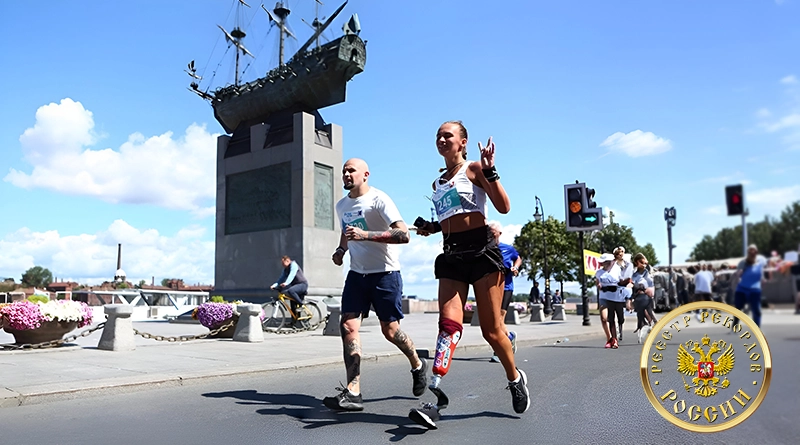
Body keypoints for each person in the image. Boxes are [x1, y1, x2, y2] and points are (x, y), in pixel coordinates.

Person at [414, 120, 529, 420]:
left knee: (492, 331)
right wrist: (432, 227)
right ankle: (436, 396)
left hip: (481, 254)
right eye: (438, 135)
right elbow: (452, 217)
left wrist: (491, 169)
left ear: (463, 142)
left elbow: (503, 207)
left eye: (447, 135)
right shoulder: (437, 183)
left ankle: (514, 379)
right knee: (448, 327)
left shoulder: (475, 169)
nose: (441, 139)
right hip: (452, 255)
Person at [324, 158, 427, 411]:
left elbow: (404, 234)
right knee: (348, 326)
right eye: (344, 171)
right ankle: (353, 391)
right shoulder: (341, 205)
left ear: (365, 174)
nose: (346, 174)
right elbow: (346, 231)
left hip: (385, 274)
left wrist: (366, 235)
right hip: (357, 274)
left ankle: (417, 362)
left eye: (352, 170)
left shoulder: (379, 200)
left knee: (390, 330)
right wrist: (340, 250)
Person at [488, 221, 521, 363]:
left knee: (499, 319)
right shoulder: (485, 250)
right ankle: (509, 338)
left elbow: (518, 258)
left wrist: (515, 268)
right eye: (488, 232)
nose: (490, 235)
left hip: (506, 287)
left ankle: (498, 350)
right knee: (494, 320)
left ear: (499, 234)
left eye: (493, 233)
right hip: (491, 288)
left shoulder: (508, 249)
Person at [596, 253, 627, 348]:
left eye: (607, 262)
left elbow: (625, 282)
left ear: (612, 262)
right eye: (603, 262)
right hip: (604, 297)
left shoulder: (618, 270)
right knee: (604, 318)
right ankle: (610, 338)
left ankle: (616, 333)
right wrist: (599, 286)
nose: (605, 264)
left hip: (616, 297)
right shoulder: (599, 273)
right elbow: (597, 283)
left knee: (619, 318)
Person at [733, 244, 767, 327]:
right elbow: (739, 273)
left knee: (756, 310)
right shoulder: (743, 262)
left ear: (756, 252)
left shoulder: (760, 264)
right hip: (742, 289)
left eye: (753, 251)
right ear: (748, 252)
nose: (752, 252)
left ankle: (757, 328)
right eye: (750, 251)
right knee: (738, 308)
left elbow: (761, 276)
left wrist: (763, 281)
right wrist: (738, 274)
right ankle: (734, 326)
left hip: (755, 290)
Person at [270, 255, 309, 321]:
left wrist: (286, 283)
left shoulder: (293, 265)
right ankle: (294, 322)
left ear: (287, 260)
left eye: (283, 263)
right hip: (296, 286)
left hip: (302, 284)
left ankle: (301, 305)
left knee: (291, 291)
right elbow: (281, 279)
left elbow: (292, 275)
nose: (282, 265)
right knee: (292, 304)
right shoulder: (286, 269)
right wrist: (274, 285)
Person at [627, 253, 655, 344]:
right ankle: (644, 328)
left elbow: (651, 286)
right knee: (641, 315)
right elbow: (631, 288)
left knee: (647, 312)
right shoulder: (634, 275)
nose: (644, 265)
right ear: (636, 262)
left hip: (647, 297)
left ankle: (650, 325)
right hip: (638, 297)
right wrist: (630, 300)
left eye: (645, 263)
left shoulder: (648, 274)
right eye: (641, 262)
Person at [613, 246, 633, 341]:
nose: (620, 254)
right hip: (614, 289)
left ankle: (620, 328)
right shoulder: (612, 265)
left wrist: (629, 282)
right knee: (612, 313)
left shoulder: (628, 265)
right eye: (618, 253)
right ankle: (615, 332)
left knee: (620, 315)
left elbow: (629, 277)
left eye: (621, 253)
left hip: (624, 288)